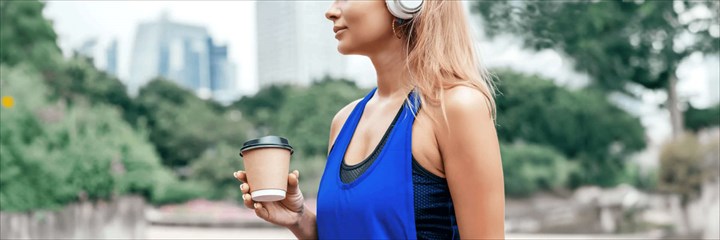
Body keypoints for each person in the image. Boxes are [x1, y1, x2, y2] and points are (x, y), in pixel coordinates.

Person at [233, 0, 504, 239]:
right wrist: (299, 219)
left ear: (405, 2)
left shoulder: (456, 108)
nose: (330, 11)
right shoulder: (344, 120)